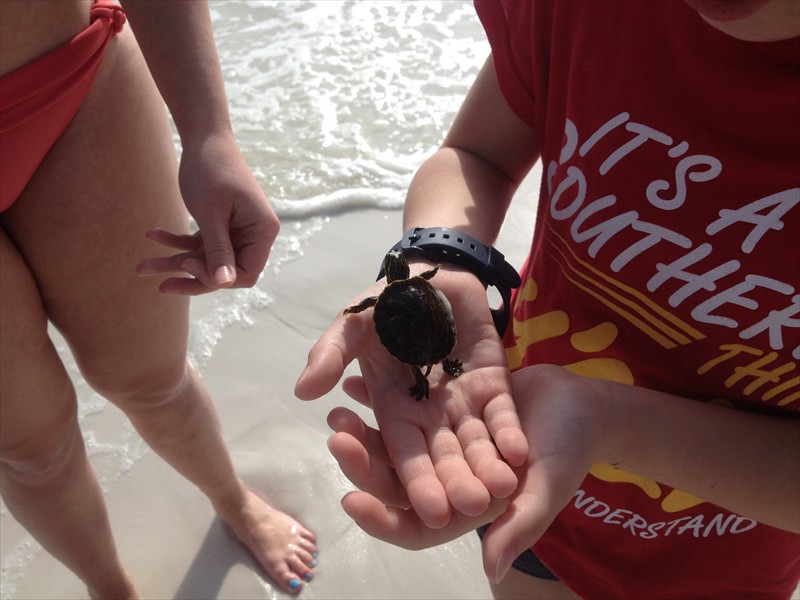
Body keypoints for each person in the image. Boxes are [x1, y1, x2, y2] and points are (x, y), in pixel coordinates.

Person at [296, 0, 800, 598]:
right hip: (520, 465)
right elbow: (476, 154)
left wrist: (610, 421)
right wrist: (441, 254)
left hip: (720, 565)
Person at [1, 0, 317, 596]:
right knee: (31, 450)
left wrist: (209, 131)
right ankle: (110, 588)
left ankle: (235, 501)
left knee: (151, 378)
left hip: (63, 80)